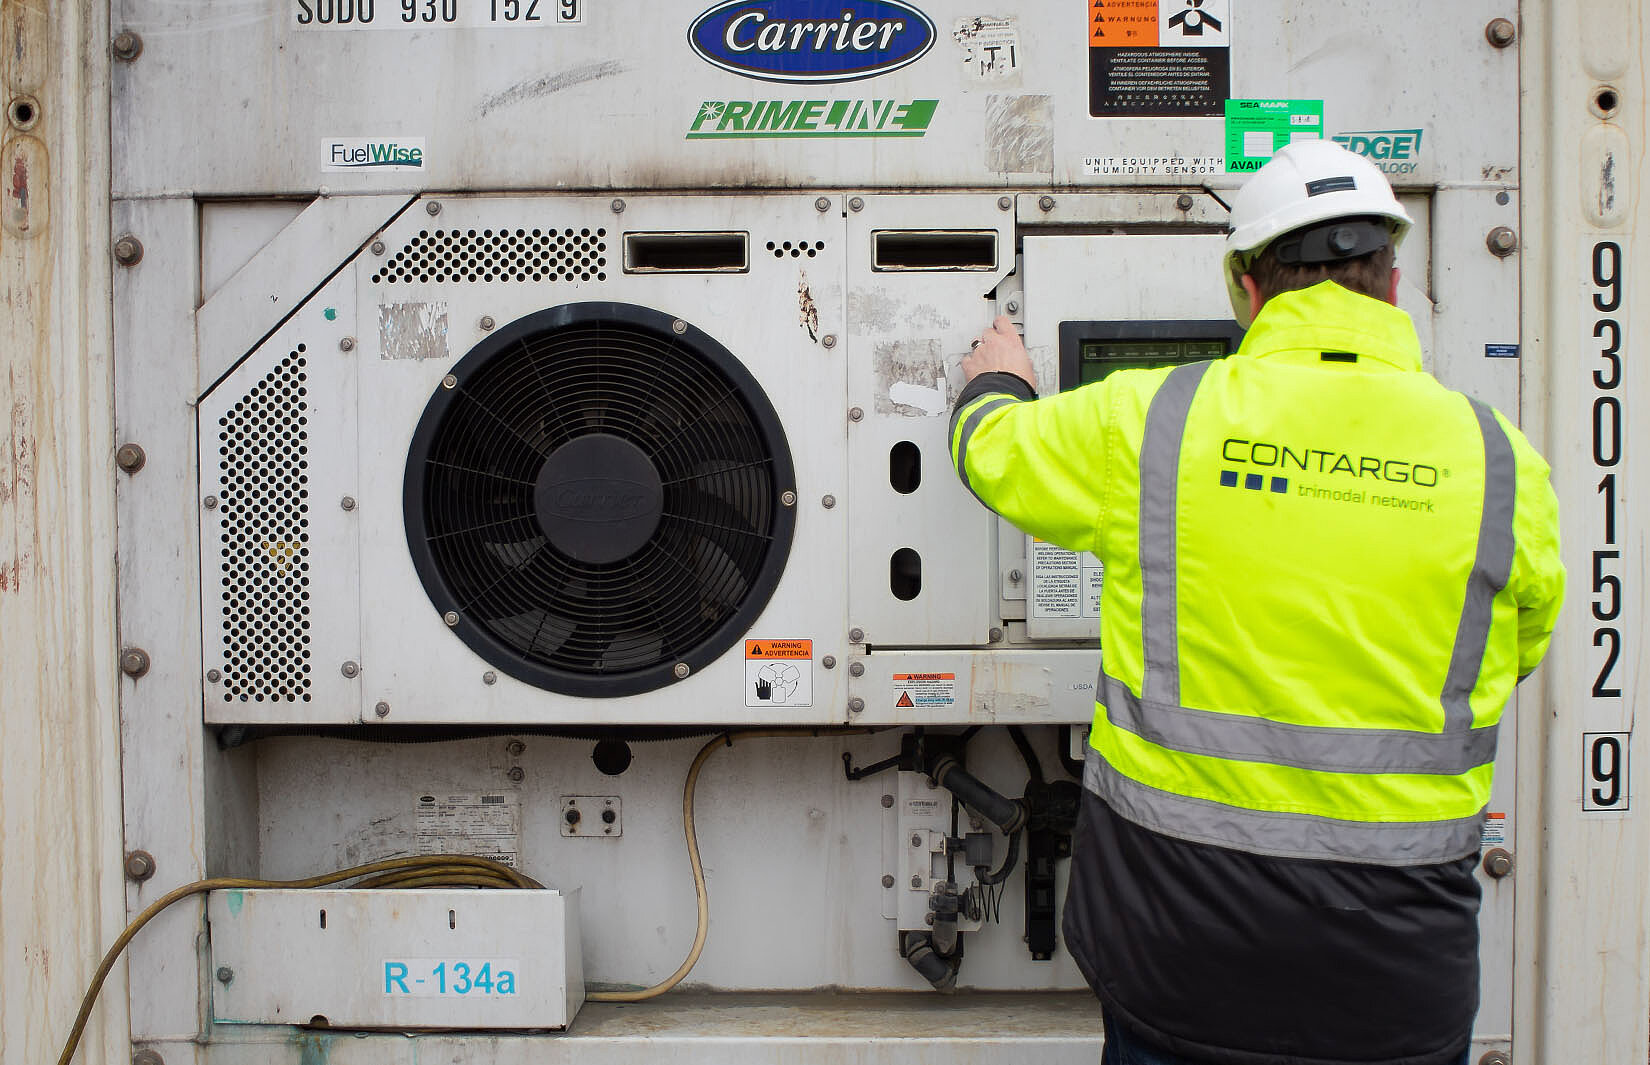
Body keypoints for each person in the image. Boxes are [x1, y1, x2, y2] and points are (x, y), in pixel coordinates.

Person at [949, 139, 1564, 1065]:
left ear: (1245, 284)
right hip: (1397, 978)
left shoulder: (1154, 419)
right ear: (1393, 287)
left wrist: (996, 378)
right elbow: (1509, 650)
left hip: (1179, 963)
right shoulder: (1503, 464)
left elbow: (993, 450)